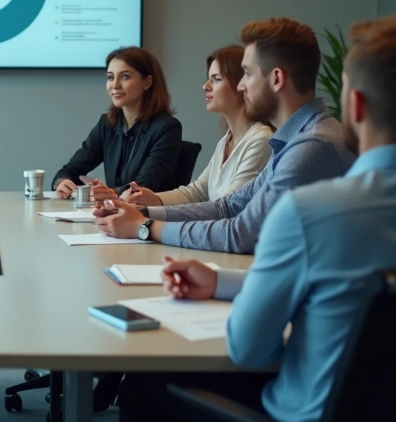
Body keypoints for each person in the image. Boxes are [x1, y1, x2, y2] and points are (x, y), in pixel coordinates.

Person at [116, 15, 396, 422]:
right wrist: (222, 282)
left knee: (146, 380)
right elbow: (393, 291)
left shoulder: (309, 213)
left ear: (355, 103)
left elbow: (249, 347)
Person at [94, 18, 355, 253]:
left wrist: (144, 226)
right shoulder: (295, 138)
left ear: (276, 79)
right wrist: (141, 212)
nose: (241, 86)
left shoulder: (312, 146)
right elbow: (227, 206)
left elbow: (240, 234)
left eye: (248, 74)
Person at [122, 45, 273, 207]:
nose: (206, 86)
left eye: (216, 79)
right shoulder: (226, 140)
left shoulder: (262, 139)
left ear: (242, 84)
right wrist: (152, 198)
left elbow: (227, 208)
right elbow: (197, 191)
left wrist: (148, 215)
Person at [53, 47, 182, 202]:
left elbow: (144, 185)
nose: (115, 85)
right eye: (110, 77)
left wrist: (111, 193)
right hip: (114, 214)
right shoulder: (107, 124)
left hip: (150, 217)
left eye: (125, 77)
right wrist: (63, 182)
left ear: (147, 82)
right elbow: (69, 170)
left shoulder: (167, 128)